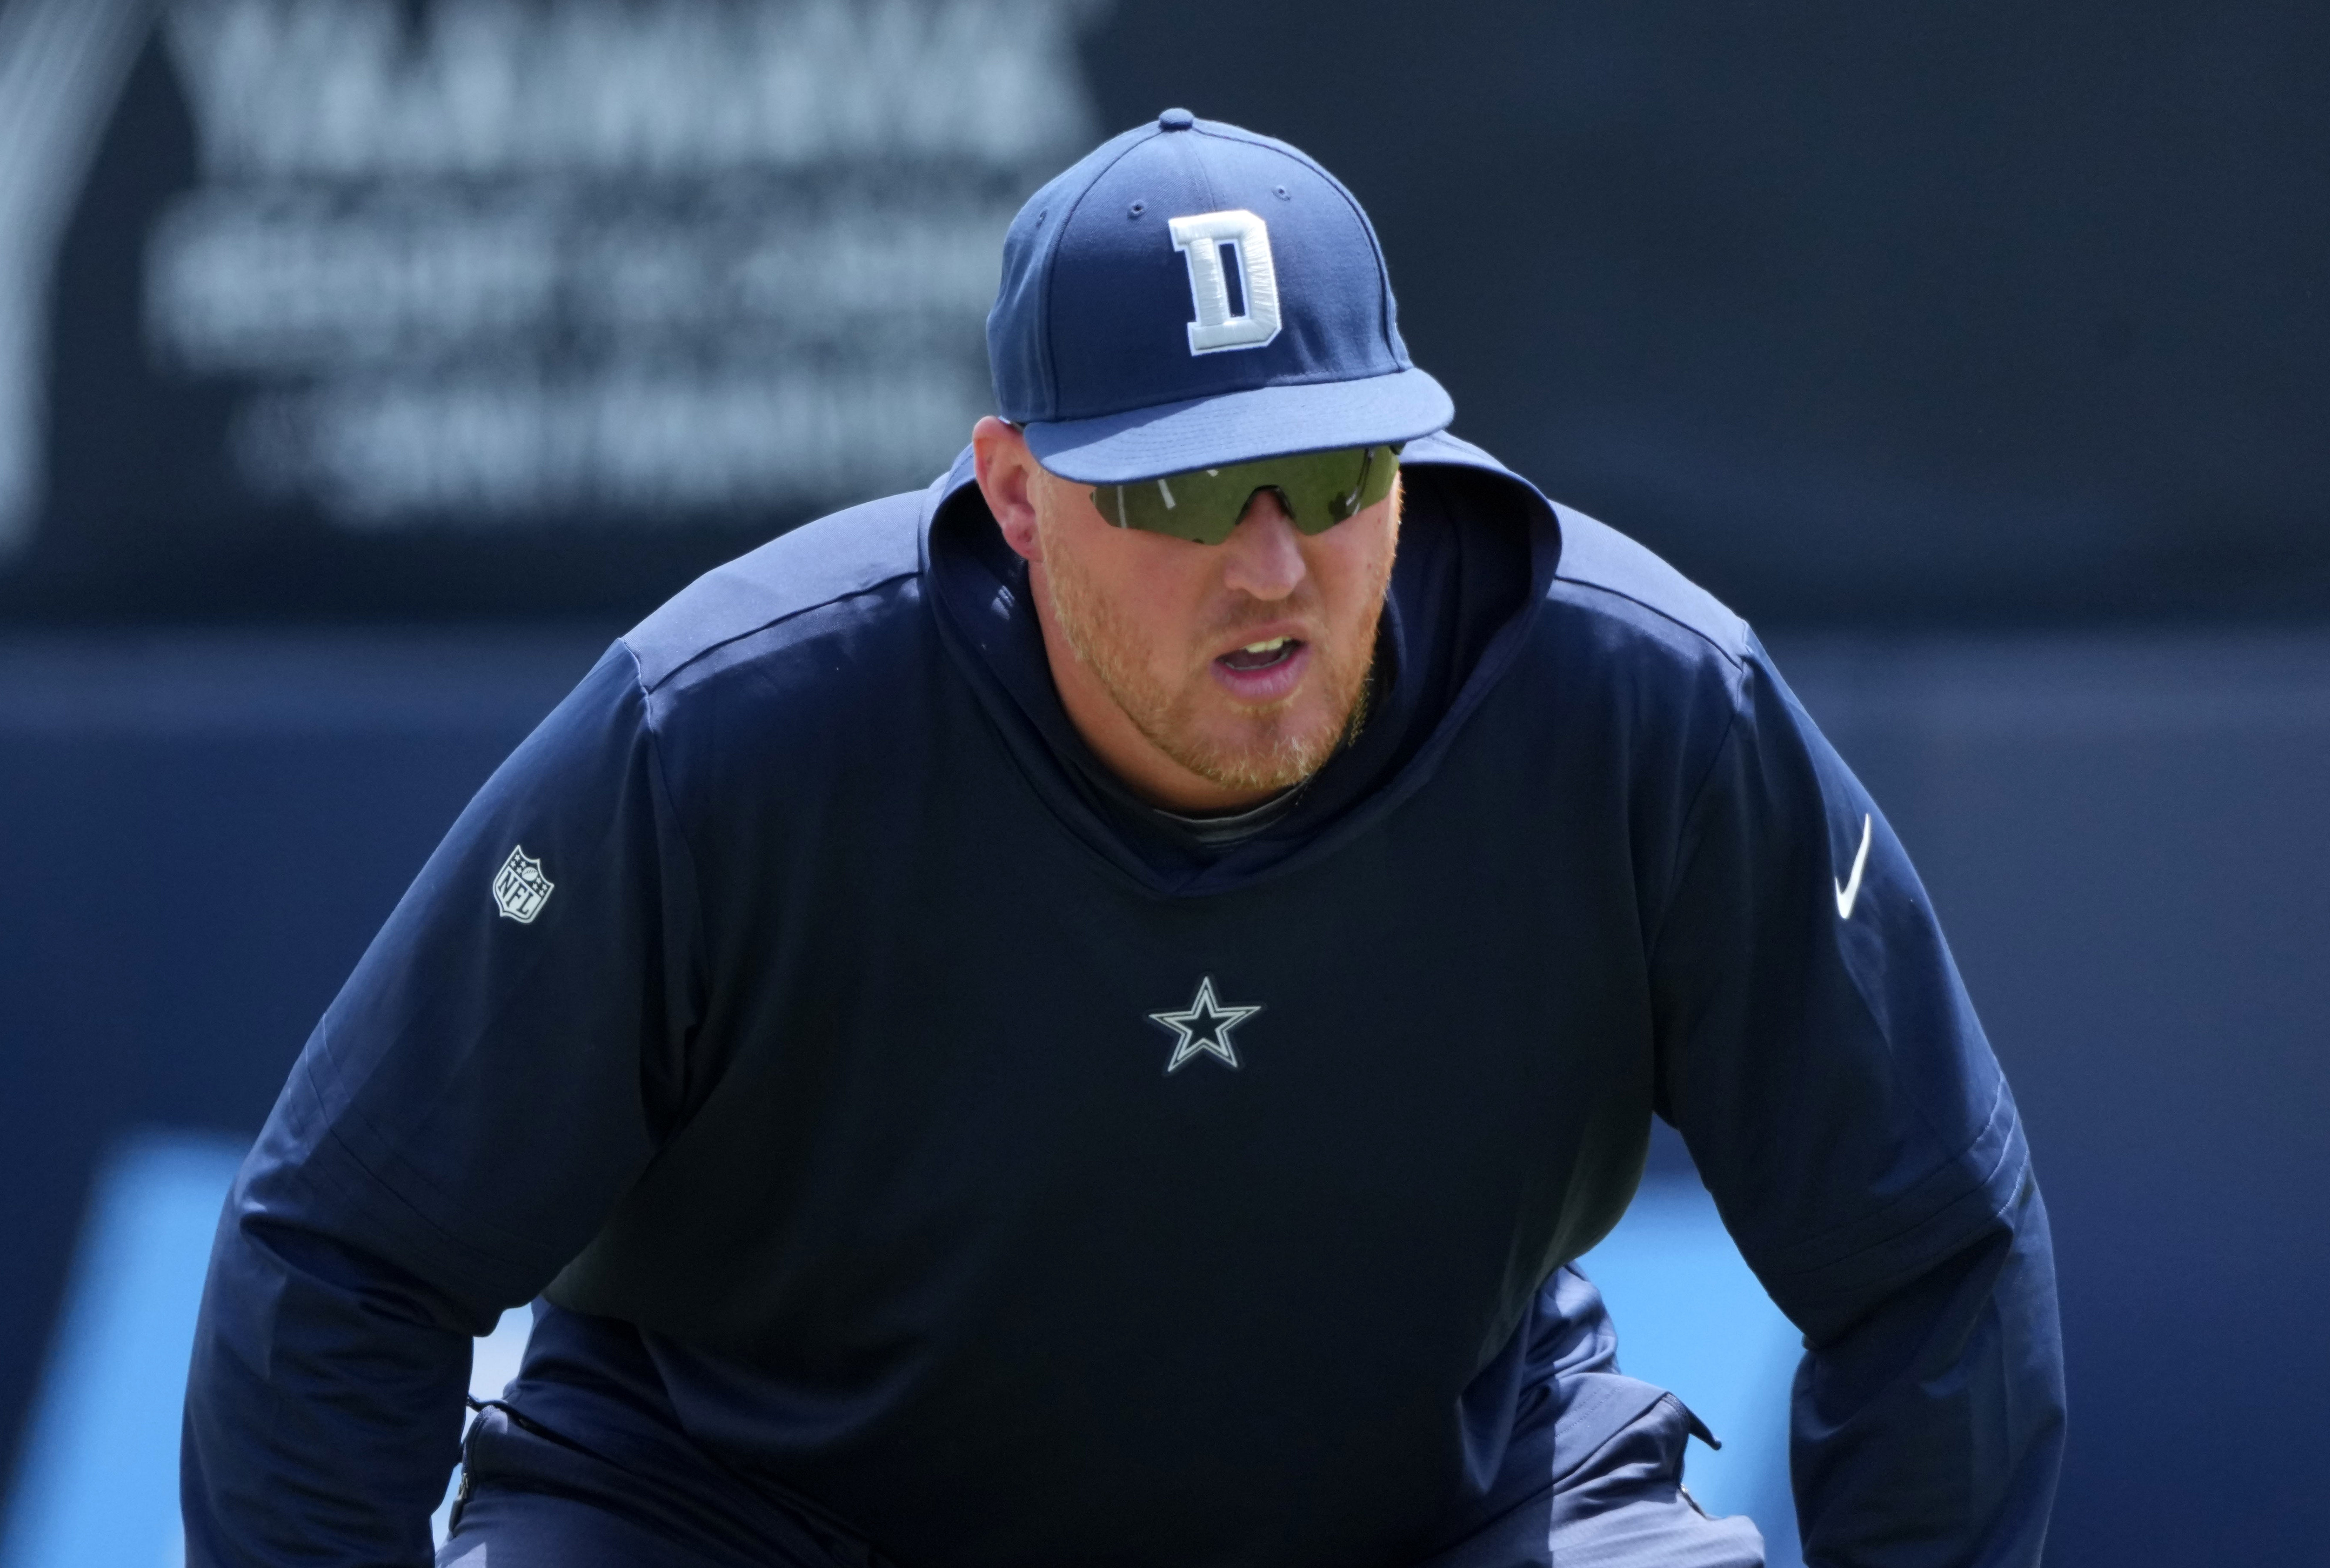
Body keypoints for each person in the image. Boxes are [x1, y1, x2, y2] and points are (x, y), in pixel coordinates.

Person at [181, 111, 2064, 1568]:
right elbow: (347, 1253)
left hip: (1432, 1505)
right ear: (1015, 491)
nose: (1272, 563)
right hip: (745, 1507)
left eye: (1332, 475)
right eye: (1177, 485)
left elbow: (1929, 1243)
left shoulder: (1644, 707)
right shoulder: (723, 731)